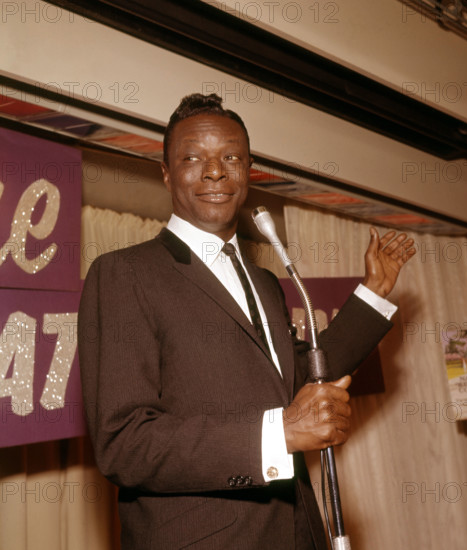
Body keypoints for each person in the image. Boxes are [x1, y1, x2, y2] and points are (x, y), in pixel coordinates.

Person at [78, 93, 416, 550]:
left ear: (248, 171)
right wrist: (281, 432)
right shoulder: (125, 273)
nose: (215, 171)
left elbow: (304, 379)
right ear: (165, 173)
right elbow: (124, 443)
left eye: (231, 157)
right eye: (193, 157)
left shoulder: (263, 281)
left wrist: (373, 292)